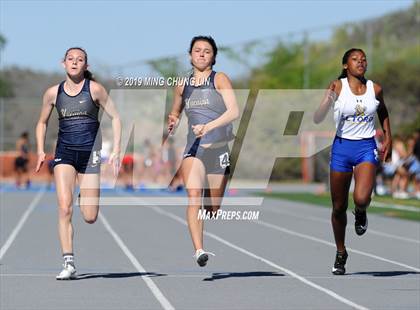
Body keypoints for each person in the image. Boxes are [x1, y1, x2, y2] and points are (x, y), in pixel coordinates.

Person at [35, 47, 121, 280]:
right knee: (64, 207)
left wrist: (117, 151)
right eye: (70, 59)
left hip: (90, 154)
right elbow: (42, 123)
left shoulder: (95, 90)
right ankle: (69, 262)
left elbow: (115, 117)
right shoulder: (53, 93)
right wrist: (41, 150)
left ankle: (86, 194)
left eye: (80, 59)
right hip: (64, 153)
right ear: (63, 63)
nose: (75, 62)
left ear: (86, 66)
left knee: (90, 216)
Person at [314, 48, 392, 275]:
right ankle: (340, 252)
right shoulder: (337, 87)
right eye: (355, 59)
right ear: (345, 65)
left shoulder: (374, 89)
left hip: (366, 147)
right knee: (338, 207)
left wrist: (388, 136)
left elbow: (383, 112)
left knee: (361, 197)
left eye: (364, 59)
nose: (361, 62)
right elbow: (317, 119)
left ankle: (361, 210)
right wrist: (328, 99)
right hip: (341, 148)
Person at [168, 36, 239, 266]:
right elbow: (175, 111)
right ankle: (199, 250)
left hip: (219, 150)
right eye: (197, 50)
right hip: (194, 148)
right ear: (190, 55)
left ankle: (212, 199)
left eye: (206, 51)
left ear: (213, 57)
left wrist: (208, 126)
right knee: (193, 198)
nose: (201, 54)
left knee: (212, 209)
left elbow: (234, 112)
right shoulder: (182, 84)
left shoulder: (220, 79)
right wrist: (173, 120)